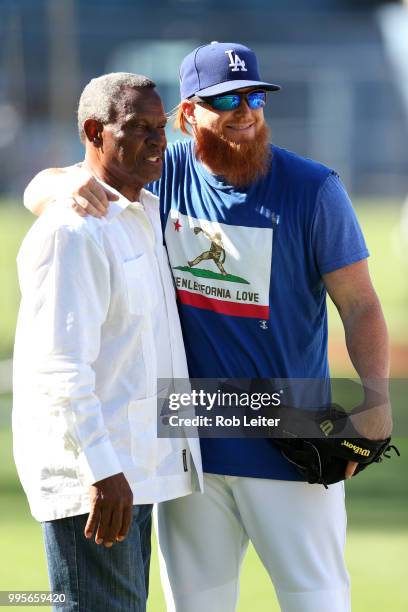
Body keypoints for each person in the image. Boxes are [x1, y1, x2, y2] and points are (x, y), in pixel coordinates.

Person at [24, 43, 391, 612]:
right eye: (227, 100)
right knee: (195, 606)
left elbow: (361, 304)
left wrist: (376, 399)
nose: (245, 111)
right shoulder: (154, 172)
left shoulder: (314, 188)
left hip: (287, 433)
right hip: (186, 444)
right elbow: (52, 182)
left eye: (254, 97)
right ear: (189, 113)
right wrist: (58, 189)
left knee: (317, 601)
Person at [13, 72, 202, 612]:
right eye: (138, 127)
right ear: (95, 132)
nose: (156, 141)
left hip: (132, 471)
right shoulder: (73, 231)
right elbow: (60, 368)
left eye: (160, 127)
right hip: (96, 482)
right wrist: (102, 470)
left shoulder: (140, 211)